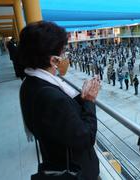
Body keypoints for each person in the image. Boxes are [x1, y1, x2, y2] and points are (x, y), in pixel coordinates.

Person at [19, 21, 100, 180]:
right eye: (63, 52)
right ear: (53, 60)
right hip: (77, 172)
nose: (65, 57)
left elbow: (62, 121)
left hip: (54, 157)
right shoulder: (50, 98)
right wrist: (89, 101)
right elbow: (85, 138)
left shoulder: (29, 84)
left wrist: (81, 99)